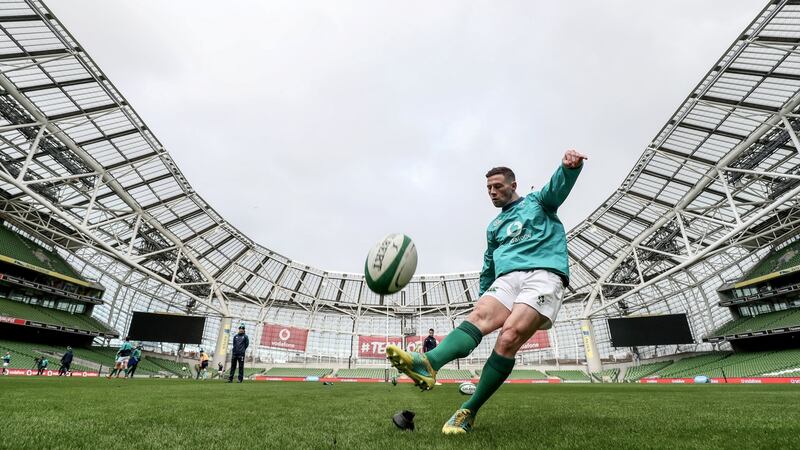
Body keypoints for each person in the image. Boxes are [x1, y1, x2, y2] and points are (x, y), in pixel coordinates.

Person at [387, 149, 586, 434]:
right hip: (506, 278)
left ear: (513, 185)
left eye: (497, 186)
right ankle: (428, 365)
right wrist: (485, 293)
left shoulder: (537, 202)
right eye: (488, 188)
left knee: (509, 337)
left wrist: (568, 168)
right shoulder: (494, 227)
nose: (492, 192)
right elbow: (488, 264)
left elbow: (557, 189)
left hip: (543, 274)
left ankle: (468, 410)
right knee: (479, 314)